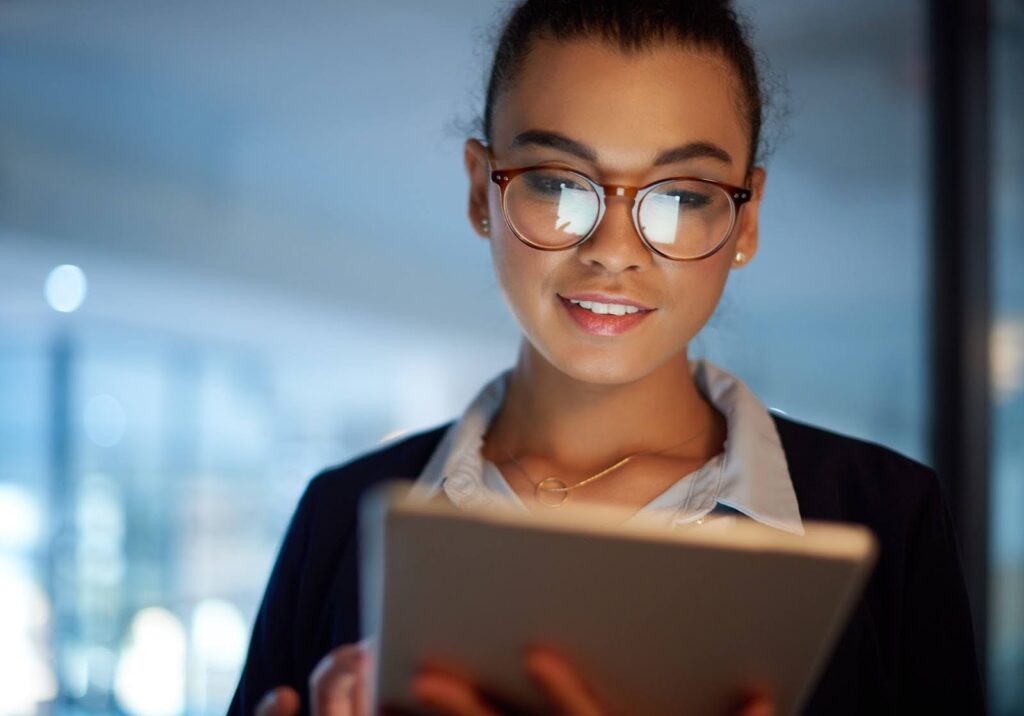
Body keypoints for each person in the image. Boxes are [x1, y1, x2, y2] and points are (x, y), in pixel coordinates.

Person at [229, 1, 985, 714]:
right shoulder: (338, 521)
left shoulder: (889, 518)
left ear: (746, 219)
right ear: (478, 192)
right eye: (557, 182)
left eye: (682, 196)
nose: (614, 252)